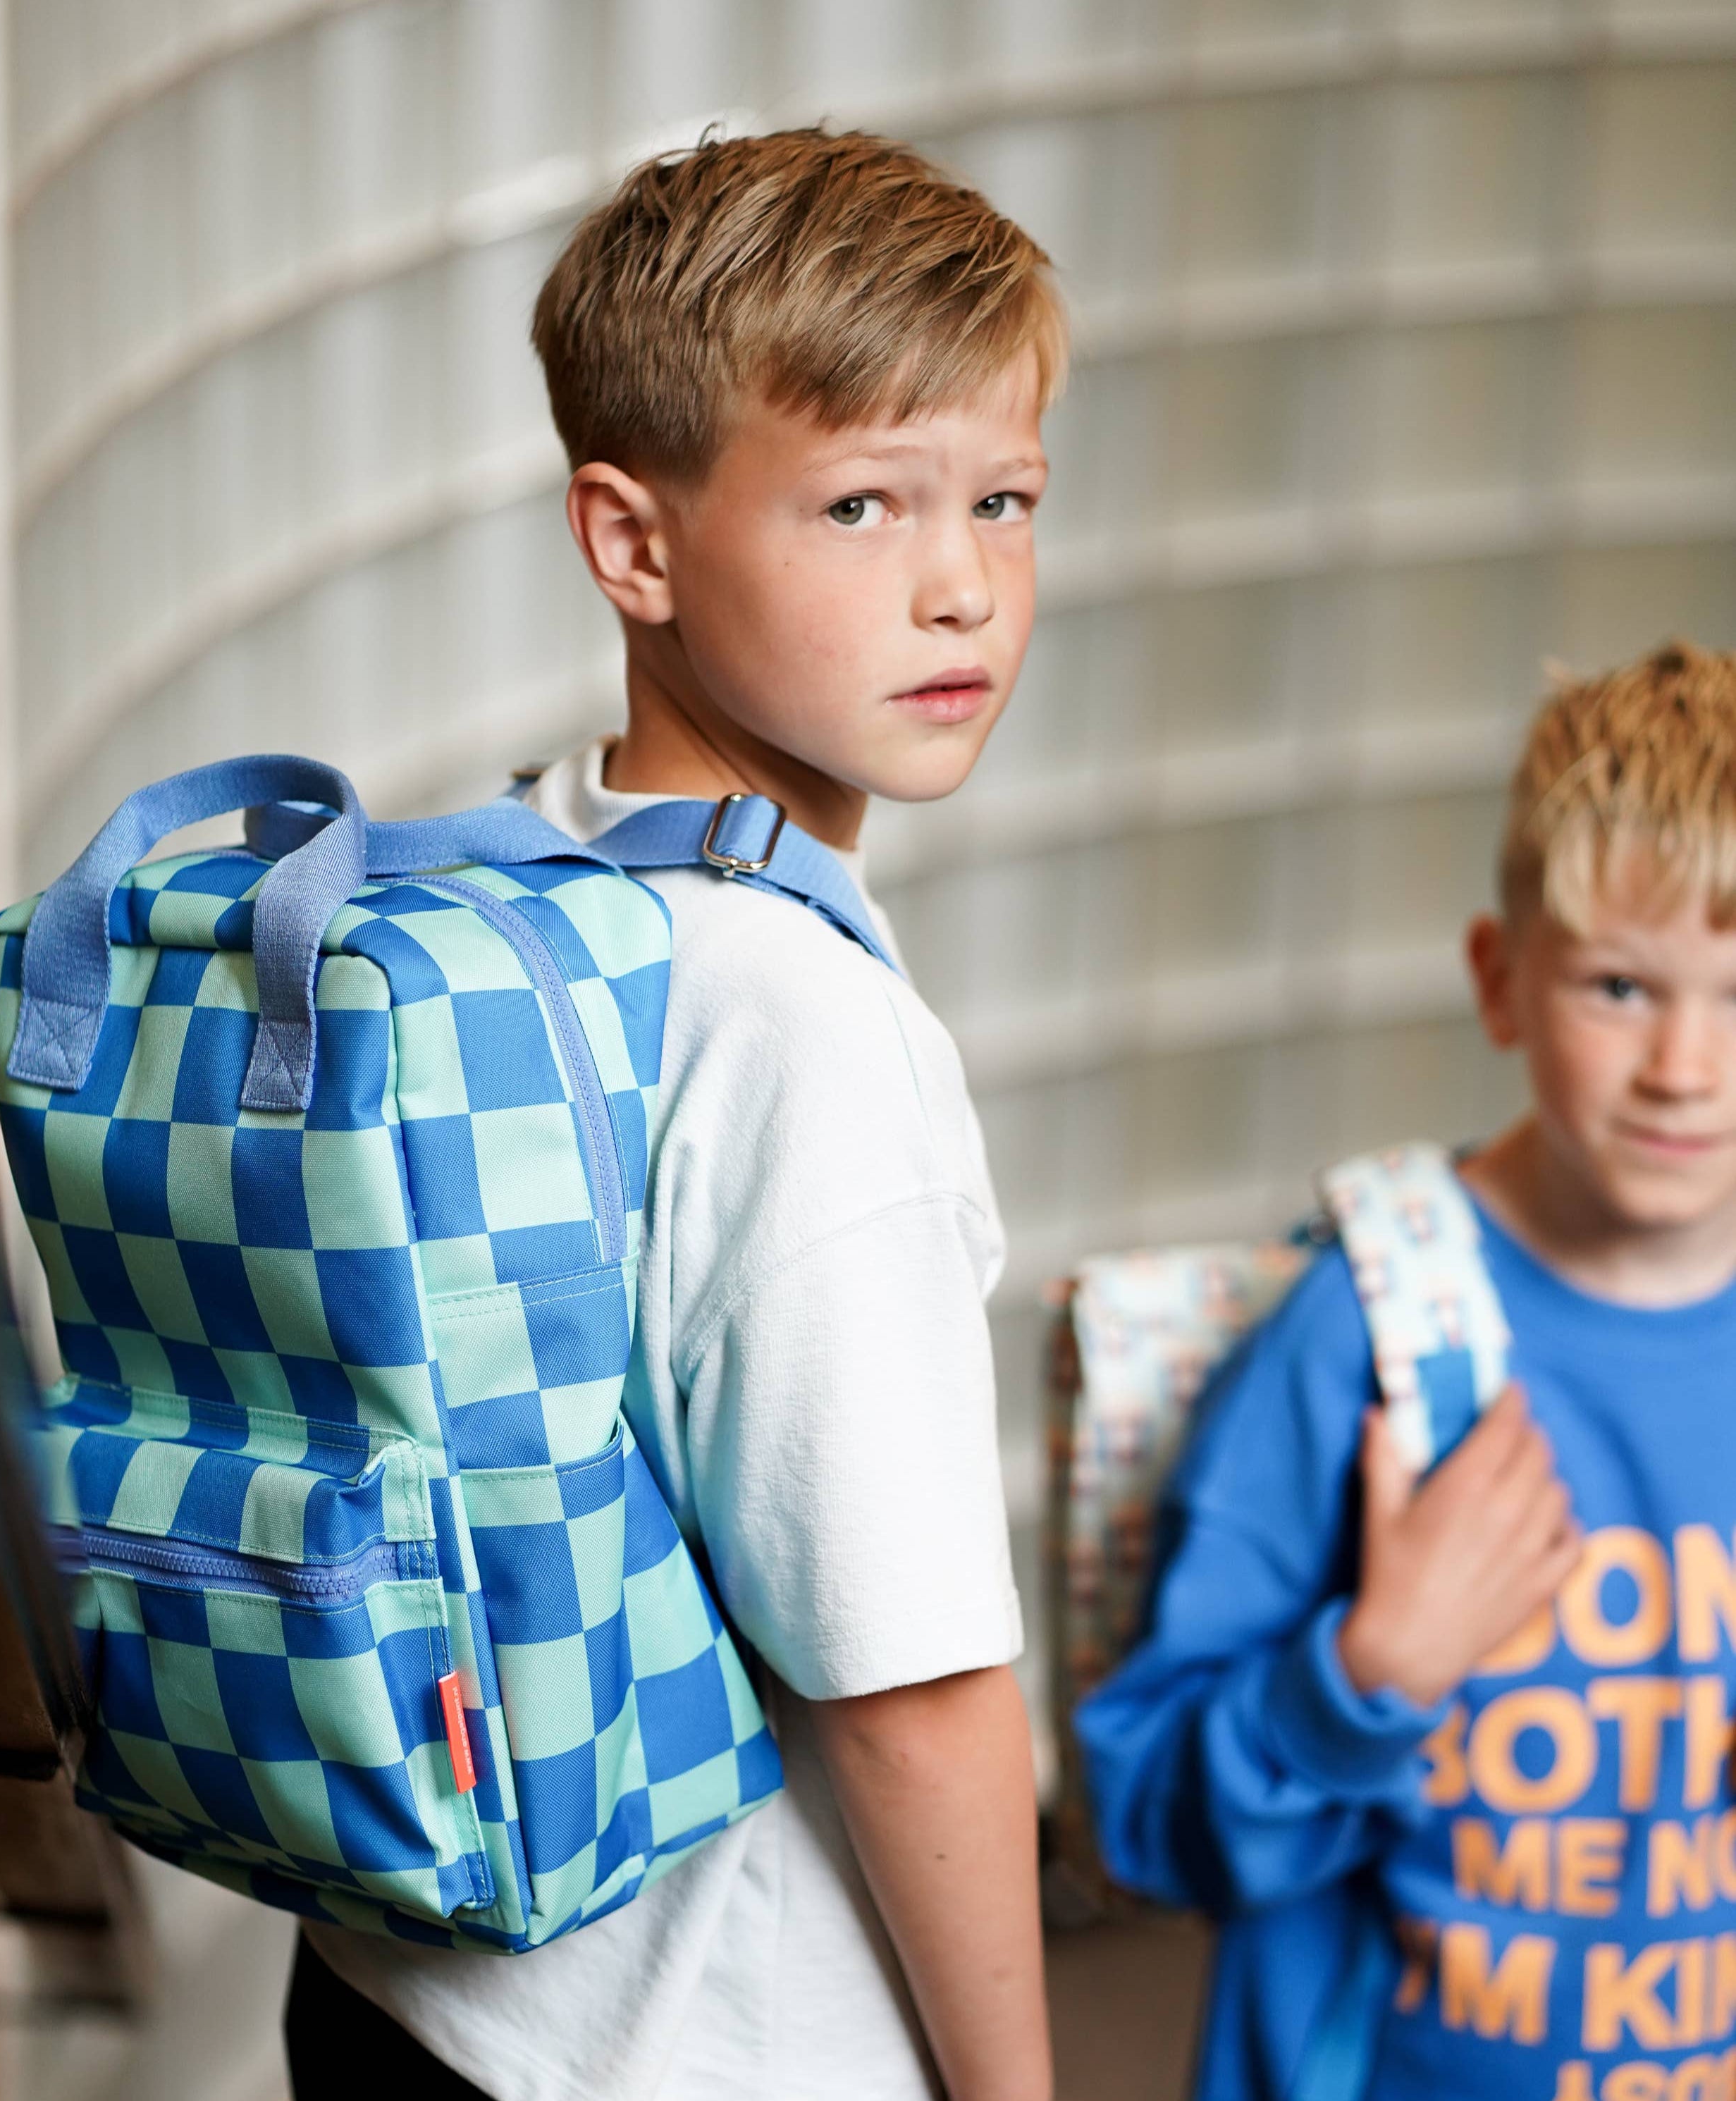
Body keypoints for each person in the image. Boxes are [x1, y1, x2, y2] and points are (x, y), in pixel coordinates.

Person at [285, 128, 1067, 2101]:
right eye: (859, 505)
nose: (959, 582)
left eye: (998, 494)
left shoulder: (516, 865)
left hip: (407, 1985)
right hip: (700, 2044)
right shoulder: (795, 1019)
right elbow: (908, 1688)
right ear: (631, 543)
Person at [1078, 640, 1736, 2100]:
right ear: (1503, 984)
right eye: (1621, 988)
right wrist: (1372, 1672)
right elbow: (1147, 1824)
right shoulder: (1368, 1336)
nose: (1687, 1066)